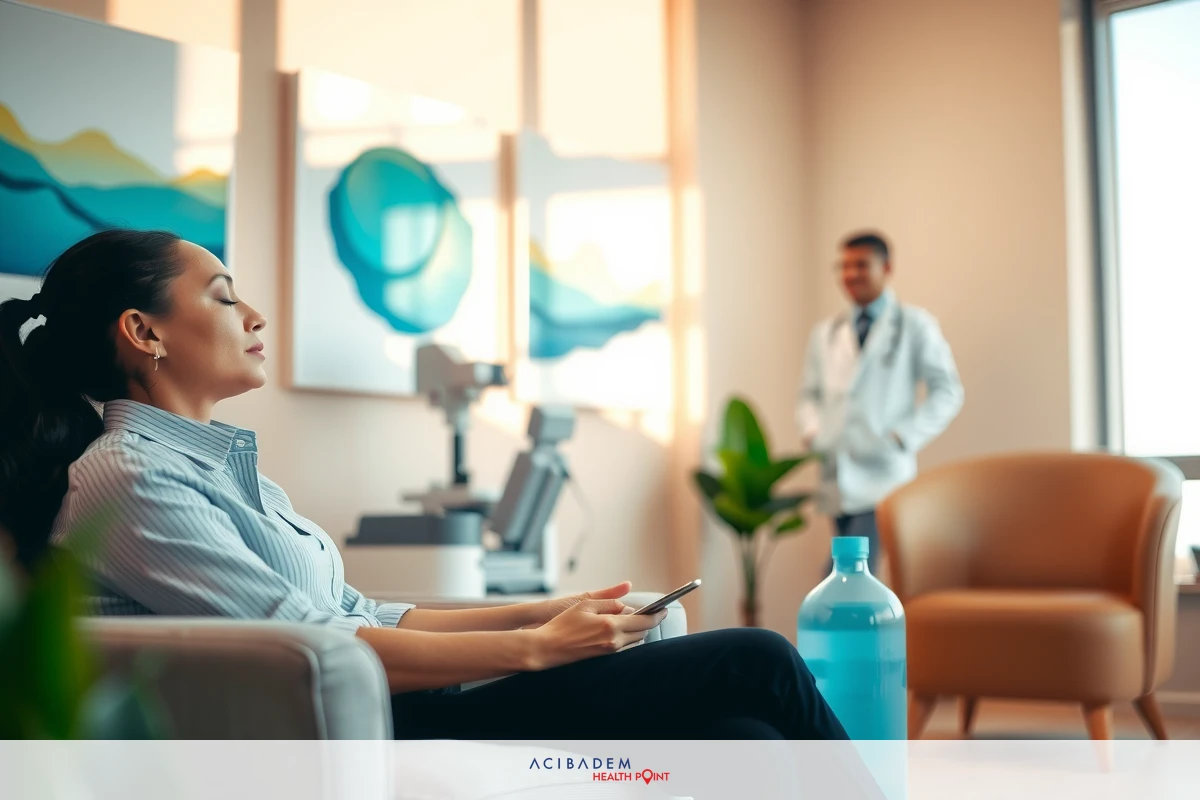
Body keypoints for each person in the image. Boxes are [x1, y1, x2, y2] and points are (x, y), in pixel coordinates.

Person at [0, 229, 857, 746]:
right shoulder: (128, 477)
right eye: (226, 299)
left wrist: (544, 613)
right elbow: (315, 649)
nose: (256, 317)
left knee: (736, 734)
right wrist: (537, 648)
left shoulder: (218, 463)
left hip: (401, 696)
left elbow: (360, 613)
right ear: (143, 331)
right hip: (361, 727)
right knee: (759, 657)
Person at [798, 232, 964, 573]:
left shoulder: (914, 325)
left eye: (861, 265)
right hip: (836, 469)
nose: (851, 275)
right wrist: (814, 431)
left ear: (886, 267)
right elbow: (808, 395)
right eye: (844, 266)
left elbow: (947, 390)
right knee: (851, 575)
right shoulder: (827, 332)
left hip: (882, 474)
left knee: (844, 574)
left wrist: (903, 437)